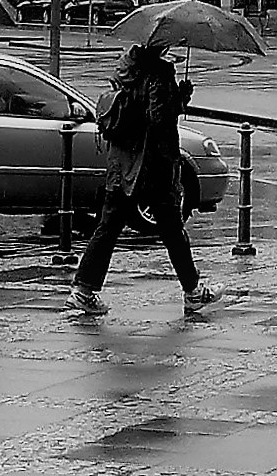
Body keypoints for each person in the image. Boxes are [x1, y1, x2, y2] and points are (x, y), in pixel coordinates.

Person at [65, 41, 223, 316]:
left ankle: (84, 290)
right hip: (152, 166)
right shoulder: (159, 73)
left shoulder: (126, 69)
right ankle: (193, 292)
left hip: (123, 162)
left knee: (108, 227)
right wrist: (179, 99)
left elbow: (134, 110)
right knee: (173, 230)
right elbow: (157, 119)